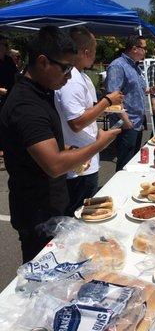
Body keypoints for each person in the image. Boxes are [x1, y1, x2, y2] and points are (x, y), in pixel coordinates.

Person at [0, 26, 121, 263]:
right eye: (66, 67)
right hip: (37, 214)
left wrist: (65, 151)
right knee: (41, 281)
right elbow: (54, 165)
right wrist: (99, 144)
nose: (68, 75)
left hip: (50, 206)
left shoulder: (41, 92)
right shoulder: (26, 106)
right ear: (43, 62)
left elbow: (38, 148)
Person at [55, 26, 123, 215]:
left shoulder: (80, 76)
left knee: (85, 212)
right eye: (94, 52)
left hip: (85, 159)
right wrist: (107, 101)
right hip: (78, 164)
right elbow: (76, 122)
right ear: (86, 52)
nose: (95, 57)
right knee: (78, 215)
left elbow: (86, 113)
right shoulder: (72, 80)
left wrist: (98, 129)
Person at [105, 36, 149, 172]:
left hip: (137, 120)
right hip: (127, 122)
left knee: (133, 160)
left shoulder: (134, 66)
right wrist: (125, 120)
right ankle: (119, 190)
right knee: (124, 162)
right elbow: (112, 97)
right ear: (135, 49)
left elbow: (138, 90)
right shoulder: (118, 66)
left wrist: (151, 90)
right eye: (144, 48)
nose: (146, 52)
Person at [0, 35, 18, 158]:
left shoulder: (8, 60)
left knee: (7, 121)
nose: (6, 47)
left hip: (9, 96)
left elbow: (15, 75)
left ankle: (6, 145)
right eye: (4, 44)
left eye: (7, 45)